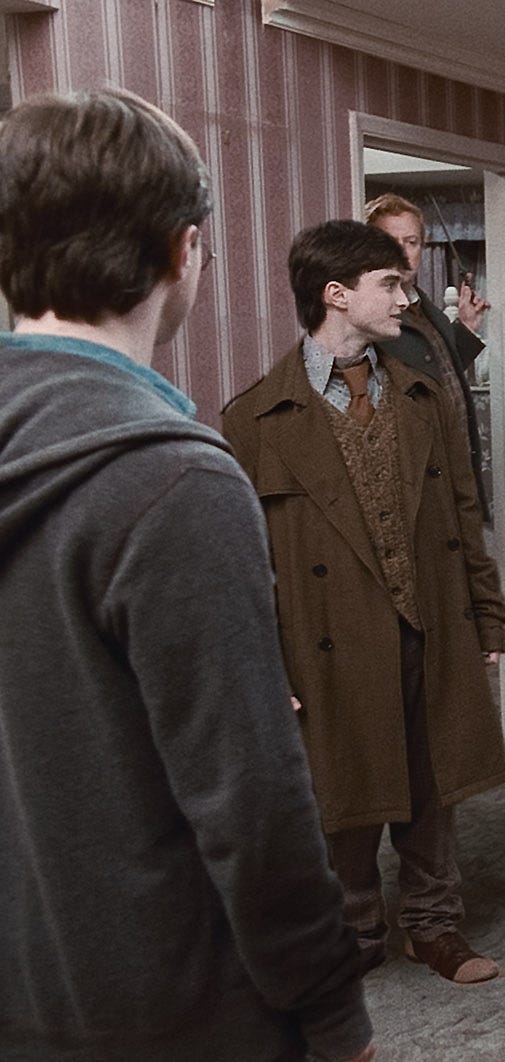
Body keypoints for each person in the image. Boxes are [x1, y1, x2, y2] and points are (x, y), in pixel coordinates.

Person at [0, 88, 373, 1060]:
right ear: (183, 250)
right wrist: (333, 1012)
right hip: (174, 1006)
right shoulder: (176, 482)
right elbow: (253, 804)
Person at [222, 219, 505, 986]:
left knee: (432, 784)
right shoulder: (253, 420)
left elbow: (463, 511)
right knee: (342, 793)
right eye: (390, 284)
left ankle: (434, 925)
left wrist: (488, 613)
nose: (406, 297)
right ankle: (351, 932)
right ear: (336, 294)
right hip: (324, 638)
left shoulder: (423, 396)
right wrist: (262, 666)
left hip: (427, 622)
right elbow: (241, 567)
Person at [366, 192, 493, 520]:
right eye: (390, 241)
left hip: (456, 471)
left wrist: (465, 328)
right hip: (414, 487)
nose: (402, 251)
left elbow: (436, 373)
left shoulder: (427, 308)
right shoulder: (369, 317)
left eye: (411, 242)